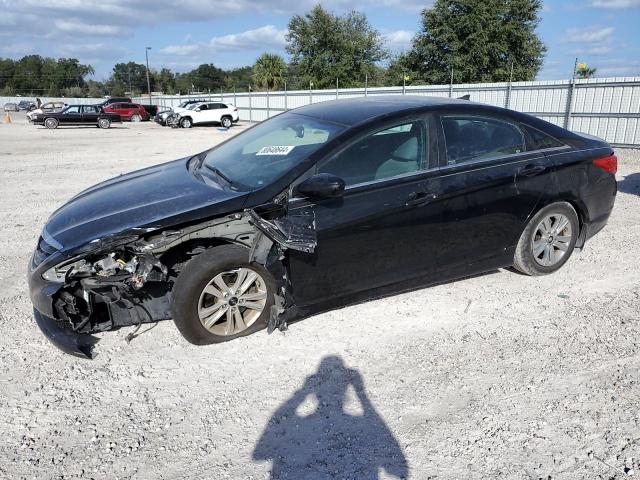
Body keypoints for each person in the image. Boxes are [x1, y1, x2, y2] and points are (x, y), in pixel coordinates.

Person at [253, 356, 408, 479]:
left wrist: (302, 392)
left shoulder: (297, 426)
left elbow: (259, 454)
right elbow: (399, 469)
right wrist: (363, 396)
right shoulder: (359, 423)